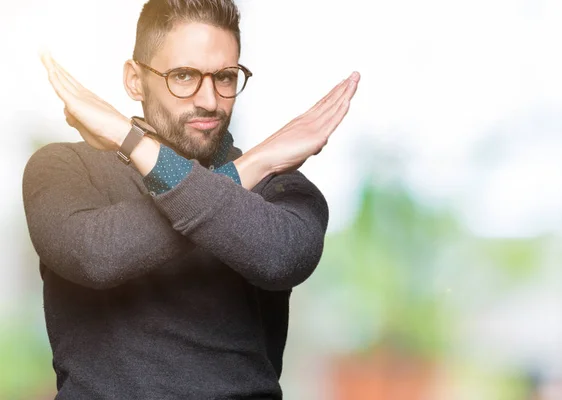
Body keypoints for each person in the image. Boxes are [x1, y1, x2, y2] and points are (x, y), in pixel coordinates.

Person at [22, 0, 360, 398]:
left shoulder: (278, 184)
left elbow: (283, 257)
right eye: (183, 76)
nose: (210, 101)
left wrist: (132, 142)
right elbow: (98, 255)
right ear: (134, 79)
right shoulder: (64, 167)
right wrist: (247, 168)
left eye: (225, 77)